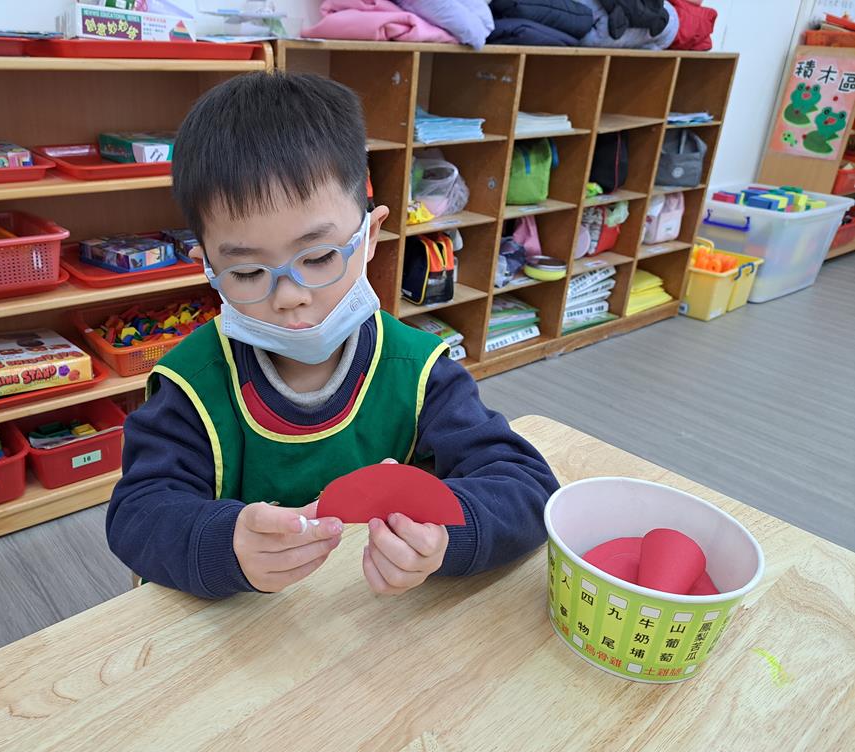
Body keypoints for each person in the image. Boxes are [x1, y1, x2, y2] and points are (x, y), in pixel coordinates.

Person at [106, 71, 559, 599]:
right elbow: (138, 513)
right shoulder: (191, 385)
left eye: (319, 257)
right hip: (244, 631)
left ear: (370, 236)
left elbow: (526, 487)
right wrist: (224, 544)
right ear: (207, 267)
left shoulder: (417, 370)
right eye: (247, 272)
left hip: (370, 622)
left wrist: (442, 538)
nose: (290, 296)